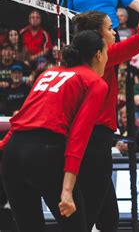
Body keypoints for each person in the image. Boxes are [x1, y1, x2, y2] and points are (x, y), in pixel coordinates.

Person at [70, 0, 139, 230]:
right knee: (88, 217)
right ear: (98, 37)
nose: (114, 32)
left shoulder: (69, 62)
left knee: (108, 217)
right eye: (111, 28)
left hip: (83, 139)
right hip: (94, 141)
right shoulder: (104, 57)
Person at [0, 30, 109, 231]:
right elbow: (79, 136)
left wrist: (2, 147)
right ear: (99, 55)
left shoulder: (48, 72)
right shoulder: (96, 82)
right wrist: (67, 190)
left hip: (13, 153)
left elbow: (21, 119)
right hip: (45, 153)